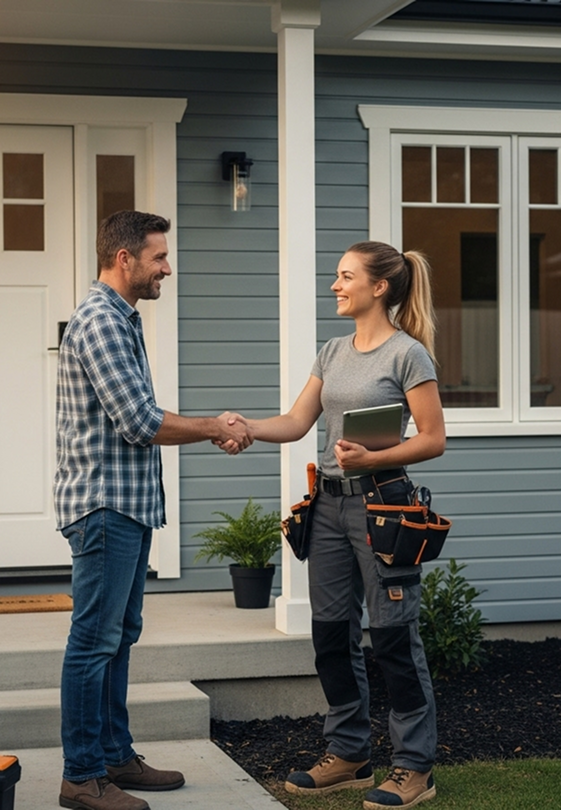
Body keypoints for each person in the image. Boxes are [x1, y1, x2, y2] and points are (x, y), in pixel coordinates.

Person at [234, 241, 446, 810]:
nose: (335, 285)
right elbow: (297, 421)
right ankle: (350, 752)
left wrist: (372, 459)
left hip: (383, 507)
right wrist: (242, 427)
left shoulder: (407, 355)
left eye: (345, 276)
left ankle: (414, 768)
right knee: (330, 635)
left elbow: (432, 438)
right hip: (327, 507)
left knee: (395, 637)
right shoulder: (331, 351)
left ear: (379, 287)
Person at [55, 210, 252, 810]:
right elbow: (139, 422)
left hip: (127, 506)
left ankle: (114, 757)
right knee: (93, 641)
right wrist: (213, 426)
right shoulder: (101, 323)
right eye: (159, 257)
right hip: (105, 506)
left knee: (117, 637)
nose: (168, 266)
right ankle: (82, 776)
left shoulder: (122, 318)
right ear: (125, 260)